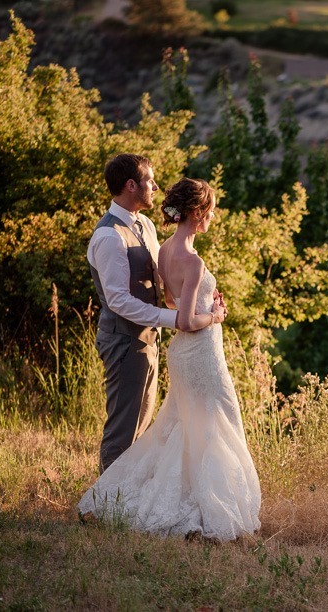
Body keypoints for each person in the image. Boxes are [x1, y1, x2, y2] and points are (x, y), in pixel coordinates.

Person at [78, 177, 261, 541]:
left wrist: (206, 305)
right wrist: (216, 316)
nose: (211, 218)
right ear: (197, 213)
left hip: (182, 354)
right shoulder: (193, 261)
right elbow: (187, 321)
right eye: (209, 211)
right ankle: (207, 507)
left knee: (184, 426)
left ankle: (159, 493)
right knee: (213, 423)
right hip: (200, 352)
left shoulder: (163, 251)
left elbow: (175, 302)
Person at [88, 153, 190, 474]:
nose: (156, 186)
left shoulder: (144, 224)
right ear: (131, 185)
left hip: (148, 339)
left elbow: (162, 273)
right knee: (123, 426)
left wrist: (194, 297)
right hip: (122, 341)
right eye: (150, 181)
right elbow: (118, 300)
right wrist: (171, 319)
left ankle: (126, 501)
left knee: (142, 423)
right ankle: (104, 506)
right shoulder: (108, 236)